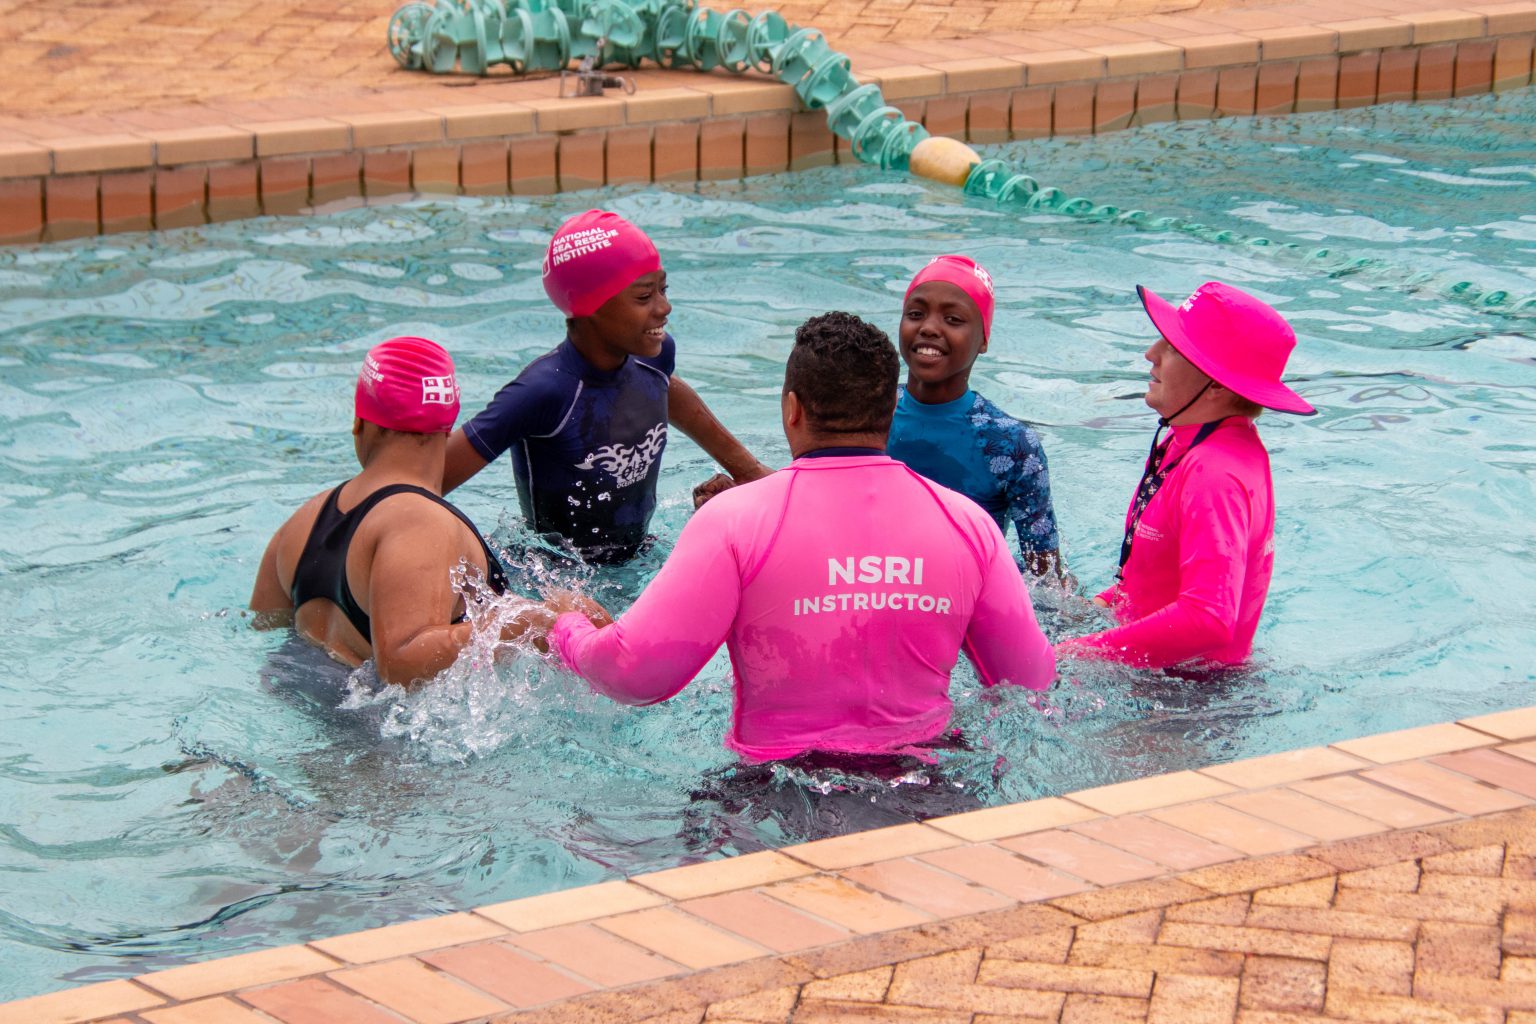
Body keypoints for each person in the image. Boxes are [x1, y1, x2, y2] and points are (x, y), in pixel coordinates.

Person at [539, 311, 1056, 763]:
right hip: (931, 785)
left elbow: (636, 675)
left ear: (792, 409)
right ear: (890, 413)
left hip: (775, 797)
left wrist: (566, 627)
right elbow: (1029, 680)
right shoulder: (968, 525)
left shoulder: (734, 520)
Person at [441, 209, 771, 564]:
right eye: (645, 297)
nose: (665, 307)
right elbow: (428, 481)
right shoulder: (543, 392)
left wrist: (749, 472)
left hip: (642, 554)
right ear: (590, 307)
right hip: (557, 578)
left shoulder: (654, 358)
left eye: (663, 289)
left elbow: (664, 390)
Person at [250, 336, 550, 687]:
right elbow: (401, 664)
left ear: (359, 423)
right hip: (378, 740)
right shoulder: (422, 521)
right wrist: (534, 622)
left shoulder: (299, 524)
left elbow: (261, 635)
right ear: (448, 426)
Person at [1057, 281, 1316, 671]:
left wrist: (1072, 654)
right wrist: (1100, 606)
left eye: (1173, 348)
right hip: (1167, 674)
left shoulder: (1215, 473)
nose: (1151, 354)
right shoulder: (1191, 444)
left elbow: (1208, 619)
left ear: (1215, 384)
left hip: (1188, 699)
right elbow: (1156, 576)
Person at [886, 254, 1065, 580]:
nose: (928, 328)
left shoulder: (1010, 443)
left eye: (953, 320)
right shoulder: (867, 411)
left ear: (983, 339)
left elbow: (1047, 580)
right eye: (915, 314)